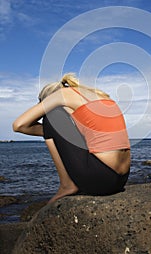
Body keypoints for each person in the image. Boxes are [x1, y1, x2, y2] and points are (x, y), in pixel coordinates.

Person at [13, 73, 131, 203]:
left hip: (101, 181)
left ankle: (67, 185)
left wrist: (51, 131)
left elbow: (19, 125)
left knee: (52, 117)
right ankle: (68, 184)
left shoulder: (61, 95)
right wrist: (57, 134)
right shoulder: (101, 97)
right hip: (121, 180)